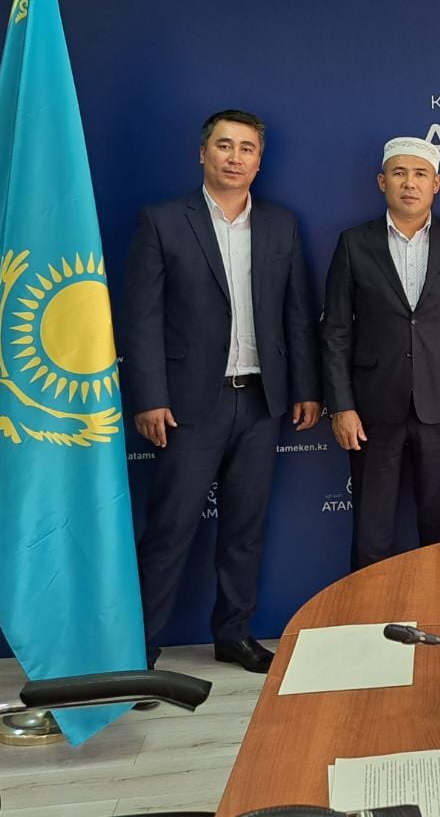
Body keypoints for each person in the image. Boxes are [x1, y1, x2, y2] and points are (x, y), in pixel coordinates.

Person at [122, 109, 321, 673]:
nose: (235, 158)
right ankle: (138, 650)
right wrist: (149, 396)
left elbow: (298, 313)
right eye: (225, 146)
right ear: (202, 154)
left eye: (247, 149)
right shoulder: (163, 221)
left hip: (261, 400)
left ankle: (233, 634)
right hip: (188, 405)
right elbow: (141, 319)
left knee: (244, 529)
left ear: (259, 161)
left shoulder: (281, 224)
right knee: (170, 529)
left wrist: (306, 387)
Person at [321, 137, 440, 570]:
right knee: (371, 531)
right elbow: (336, 332)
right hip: (373, 410)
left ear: (436, 184)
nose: (409, 183)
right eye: (399, 173)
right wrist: (341, 406)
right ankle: (368, 612)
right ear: (382, 182)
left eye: (420, 174)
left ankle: (437, 609)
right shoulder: (353, 243)